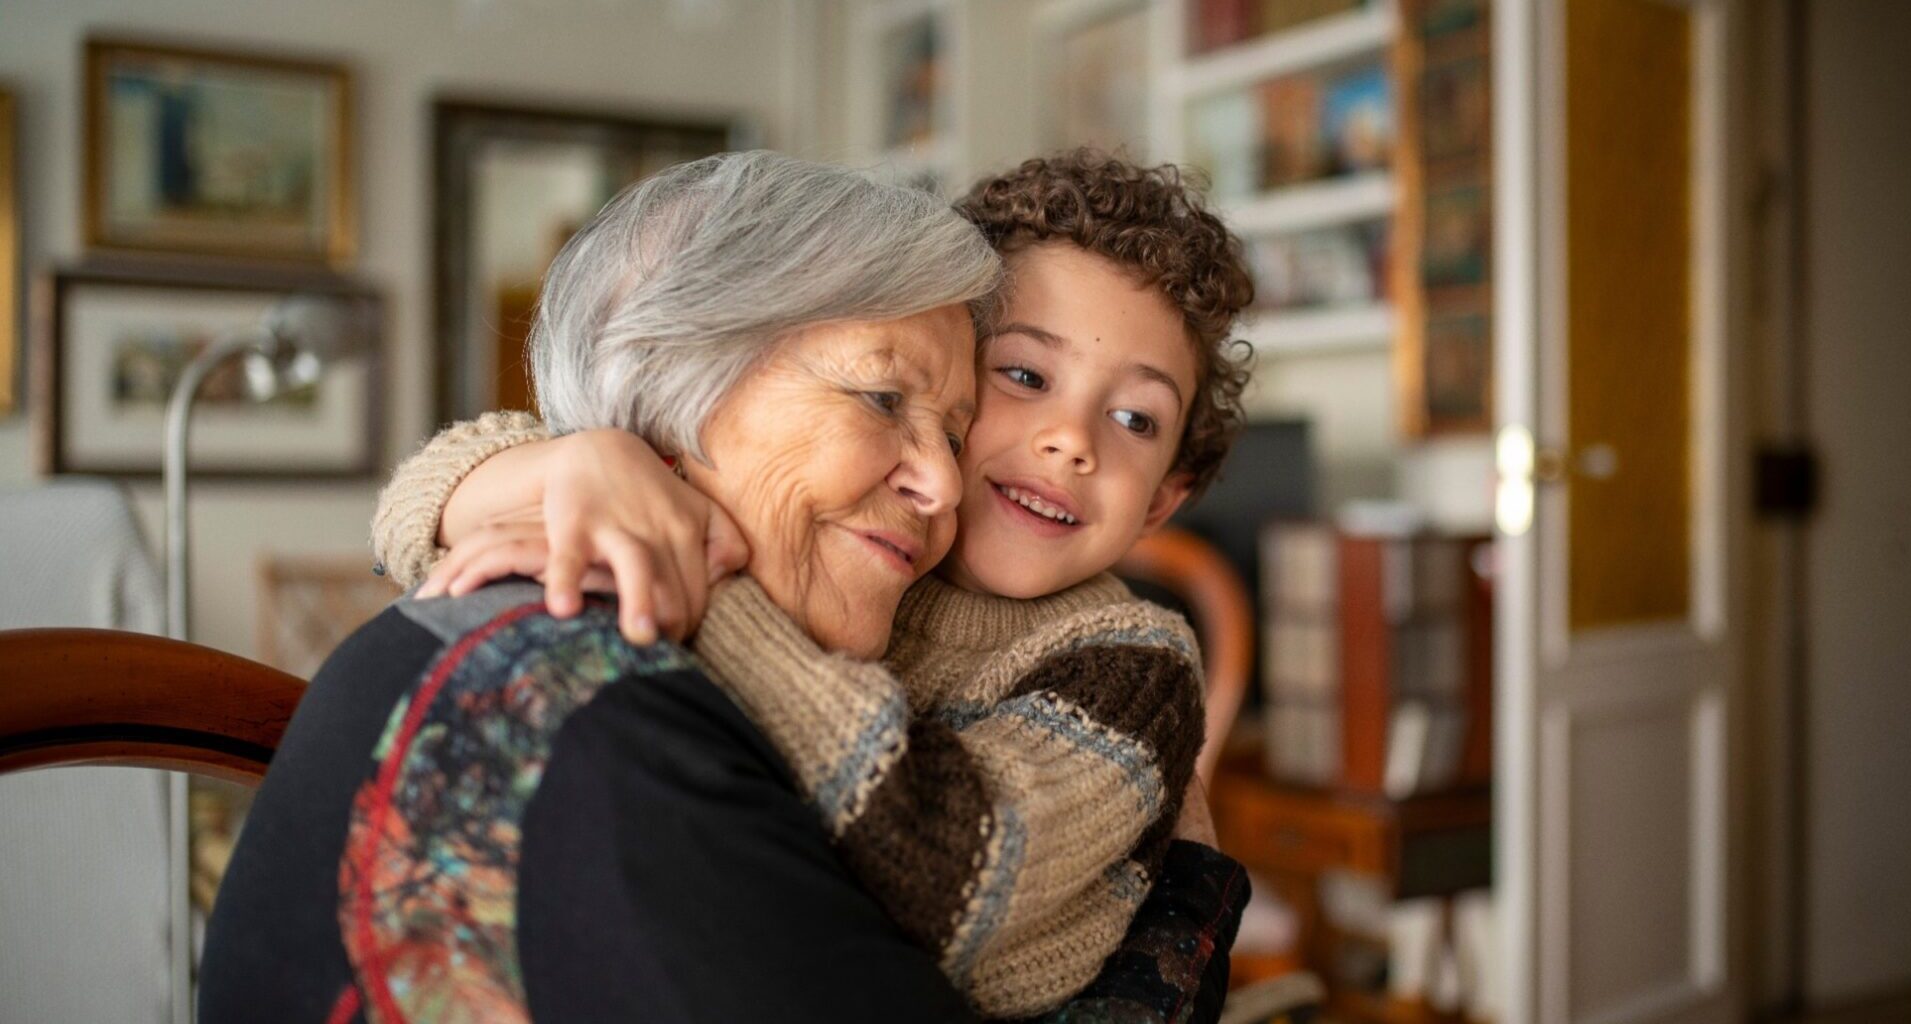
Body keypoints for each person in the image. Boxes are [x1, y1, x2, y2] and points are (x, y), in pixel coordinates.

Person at [200, 152, 1248, 1024]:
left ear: (1168, 497)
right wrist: (531, 474)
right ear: (678, 384)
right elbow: (430, 501)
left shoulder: (1122, 657)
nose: (1063, 442)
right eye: (1009, 384)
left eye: (1136, 420)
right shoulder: (607, 693)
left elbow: (950, 865)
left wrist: (705, 574)